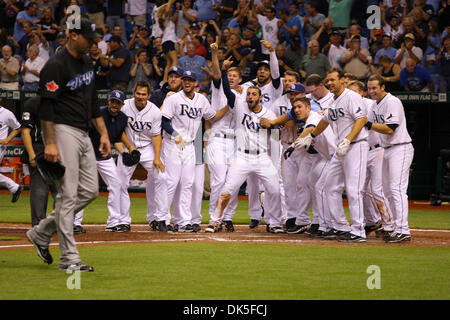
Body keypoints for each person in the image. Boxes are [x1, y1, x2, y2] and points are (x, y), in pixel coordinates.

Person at [26, 18, 111, 272]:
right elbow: (47, 107)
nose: (93, 43)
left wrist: (103, 134)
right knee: (67, 195)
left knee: (90, 191)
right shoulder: (55, 65)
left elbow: (93, 101)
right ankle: (69, 259)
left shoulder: (86, 61)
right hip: (62, 130)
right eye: (88, 38)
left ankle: (41, 232)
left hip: (84, 131)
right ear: (73, 36)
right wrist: (50, 143)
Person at [294, 68, 369, 242]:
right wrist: (311, 136)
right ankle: (340, 226)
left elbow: (361, 119)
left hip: (355, 145)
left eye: (333, 80)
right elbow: (325, 121)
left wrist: (349, 139)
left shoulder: (351, 96)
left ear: (342, 80)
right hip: (341, 149)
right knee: (329, 186)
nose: (330, 83)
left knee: (353, 189)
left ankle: (358, 230)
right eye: (328, 80)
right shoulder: (334, 101)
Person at [209, 67, 284, 234]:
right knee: (227, 189)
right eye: (248, 94)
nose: (250, 97)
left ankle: (274, 223)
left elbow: (277, 137)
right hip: (242, 156)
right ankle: (215, 221)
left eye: (254, 94)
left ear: (260, 98)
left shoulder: (269, 114)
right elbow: (227, 92)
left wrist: (271, 126)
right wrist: (222, 72)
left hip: (262, 158)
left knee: (275, 190)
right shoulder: (239, 105)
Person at [161, 70, 230, 232]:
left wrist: (230, 106)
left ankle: (184, 221)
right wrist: (174, 134)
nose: (187, 82)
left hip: (190, 145)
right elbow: (164, 121)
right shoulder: (174, 99)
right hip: (174, 143)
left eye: (190, 80)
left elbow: (212, 117)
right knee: (171, 182)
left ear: (195, 83)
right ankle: (162, 218)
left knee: (187, 183)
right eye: (184, 79)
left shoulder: (202, 100)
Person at [74, 90, 139, 233]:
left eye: (118, 102)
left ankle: (113, 222)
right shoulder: (98, 114)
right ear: (108, 101)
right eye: (113, 101)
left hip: (105, 157)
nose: (115, 104)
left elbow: (115, 139)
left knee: (116, 184)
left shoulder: (123, 118)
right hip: (87, 155)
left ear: (122, 104)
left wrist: (126, 151)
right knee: (82, 187)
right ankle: (75, 222)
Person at [366, 74, 414, 242]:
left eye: (374, 88)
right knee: (386, 190)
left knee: (396, 189)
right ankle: (395, 227)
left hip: (400, 147)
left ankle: (403, 230)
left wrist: (368, 124)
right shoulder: (373, 106)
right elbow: (367, 127)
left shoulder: (392, 101)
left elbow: (390, 128)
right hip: (387, 150)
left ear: (382, 87)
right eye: (369, 88)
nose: (371, 91)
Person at [347, 80, 394, 238]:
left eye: (355, 91)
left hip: (376, 150)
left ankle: (389, 225)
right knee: (362, 189)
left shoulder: (370, 104)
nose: (352, 95)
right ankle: (373, 221)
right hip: (360, 152)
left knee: (376, 189)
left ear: (362, 92)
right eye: (350, 92)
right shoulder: (349, 105)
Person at [205, 43, 242, 233]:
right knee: (219, 181)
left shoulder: (243, 97)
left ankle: (227, 218)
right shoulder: (220, 88)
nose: (231, 78)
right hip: (218, 139)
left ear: (240, 79)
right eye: (230, 75)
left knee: (232, 181)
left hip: (234, 142)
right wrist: (215, 55)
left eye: (235, 76)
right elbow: (217, 74)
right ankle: (214, 218)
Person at [21, 96, 57, 226]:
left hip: (58, 148)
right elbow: (25, 131)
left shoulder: (62, 102)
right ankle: (38, 226)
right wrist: (31, 154)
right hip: (39, 148)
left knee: (61, 191)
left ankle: (58, 223)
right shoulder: (33, 103)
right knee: (39, 190)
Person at [0, 97, 22, 203]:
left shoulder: (6, 113)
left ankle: (14, 187)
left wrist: (7, 139)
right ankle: (14, 187)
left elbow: (17, 128)